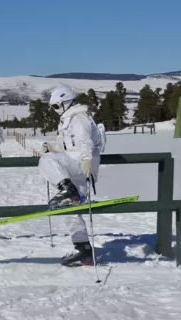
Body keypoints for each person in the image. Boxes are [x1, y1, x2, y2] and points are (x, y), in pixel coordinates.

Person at [38, 86, 104, 267]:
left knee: (45, 162)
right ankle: (83, 250)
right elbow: (66, 146)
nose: (55, 111)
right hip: (75, 163)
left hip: (81, 165)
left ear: (65, 102)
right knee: (71, 209)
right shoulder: (67, 120)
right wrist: (52, 148)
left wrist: (87, 159)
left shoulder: (79, 117)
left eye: (56, 107)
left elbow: (85, 141)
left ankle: (67, 189)